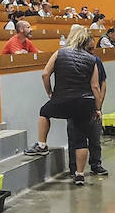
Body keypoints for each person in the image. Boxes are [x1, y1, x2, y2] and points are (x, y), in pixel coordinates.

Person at [33, 27, 102, 186]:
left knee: (44, 111)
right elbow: (95, 87)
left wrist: (50, 92)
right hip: (85, 103)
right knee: (81, 139)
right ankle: (79, 175)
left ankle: (42, 144)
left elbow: (45, 74)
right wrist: (97, 108)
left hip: (62, 99)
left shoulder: (60, 53)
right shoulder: (92, 60)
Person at [64, 25, 109, 178]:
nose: (92, 52)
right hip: (76, 104)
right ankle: (74, 167)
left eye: (93, 49)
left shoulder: (96, 60)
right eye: (89, 49)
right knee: (74, 138)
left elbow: (101, 84)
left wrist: (99, 105)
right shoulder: (71, 60)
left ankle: (96, 164)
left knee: (95, 137)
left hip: (91, 104)